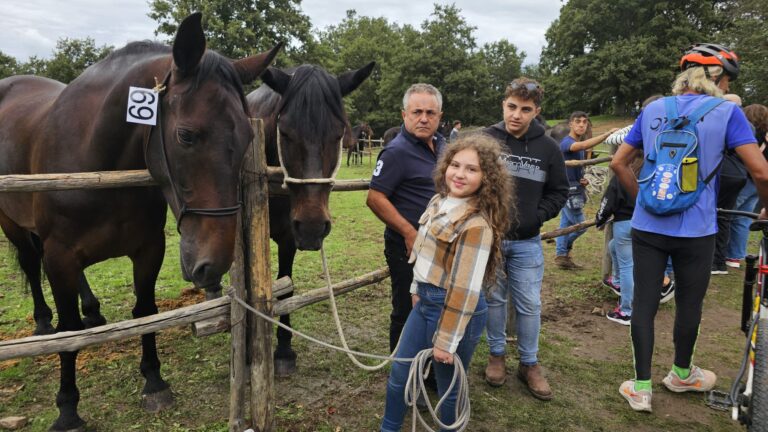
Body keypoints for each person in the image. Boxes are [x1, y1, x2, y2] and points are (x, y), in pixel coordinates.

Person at [610, 43, 768, 412]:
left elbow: (619, 163)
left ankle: (641, 388)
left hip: (648, 226)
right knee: (689, 304)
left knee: (645, 303)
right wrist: (765, 208)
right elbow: (760, 170)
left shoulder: (653, 109)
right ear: (717, 78)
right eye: (726, 77)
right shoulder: (727, 112)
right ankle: (681, 373)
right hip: (697, 229)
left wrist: (643, 202)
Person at [380, 134, 513, 432]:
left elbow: (464, 289)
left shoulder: (476, 225)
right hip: (426, 302)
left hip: (455, 312)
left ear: (486, 177)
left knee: (448, 386)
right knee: (400, 372)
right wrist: (416, 289)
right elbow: (423, 252)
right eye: (455, 165)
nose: (460, 174)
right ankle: (388, 428)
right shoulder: (439, 201)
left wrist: (446, 340)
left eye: (471, 169)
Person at [481, 77, 569, 400]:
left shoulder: (548, 147)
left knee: (530, 304)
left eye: (525, 109)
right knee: (494, 299)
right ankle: (496, 356)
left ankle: (529, 363)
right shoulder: (486, 140)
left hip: (527, 242)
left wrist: (537, 215)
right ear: (503, 104)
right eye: (512, 107)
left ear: (537, 111)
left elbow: (560, 191)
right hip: (489, 240)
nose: (516, 115)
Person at [367, 83, 446, 352]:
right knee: (406, 307)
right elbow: (375, 198)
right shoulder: (396, 152)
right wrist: (409, 232)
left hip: (443, 244)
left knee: (437, 305)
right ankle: (402, 369)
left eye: (430, 113)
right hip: (408, 247)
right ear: (404, 115)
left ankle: (430, 366)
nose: (423, 118)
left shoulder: (446, 146)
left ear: (440, 116)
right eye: (417, 112)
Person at [555, 112, 619, 269]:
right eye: (578, 122)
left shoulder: (578, 146)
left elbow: (575, 166)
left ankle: (562, 255)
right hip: (570, 192)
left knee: (565, 225)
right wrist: (608, 133)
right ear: (571, 124)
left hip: (575, 189)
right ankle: (562, 251)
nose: (582, 125)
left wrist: (581, 179)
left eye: (585, 122)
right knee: (581, 226)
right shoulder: (567, 142)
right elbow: (583, 146)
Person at [725, 103, 768, 268]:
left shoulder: (747, 135)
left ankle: (720, 254)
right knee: (743, 218)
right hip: (759, 185)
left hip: (744, 179)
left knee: (727, 215)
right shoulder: (765, 135)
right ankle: (736, 255)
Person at [711, 94, 749, 275]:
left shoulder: (730, 121)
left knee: (716, 214)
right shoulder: (746, 123)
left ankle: (715, 261)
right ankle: (722, 260)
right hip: (739, 174)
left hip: (725, 174)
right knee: (726, 216)